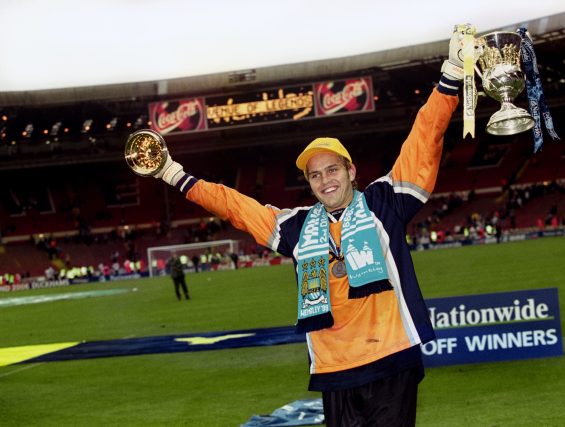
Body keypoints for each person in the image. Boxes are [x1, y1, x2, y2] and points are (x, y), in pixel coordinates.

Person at [144, 25, 470, 426]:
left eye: (332, 169)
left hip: (391, 359)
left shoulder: (385, 202)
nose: (325, 180)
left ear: (351, 171)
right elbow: (237, 207)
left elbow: (423, 139)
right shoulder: (297, 227)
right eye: (315, 175)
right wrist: (175, 174)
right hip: (334, 370)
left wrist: (451, 76)